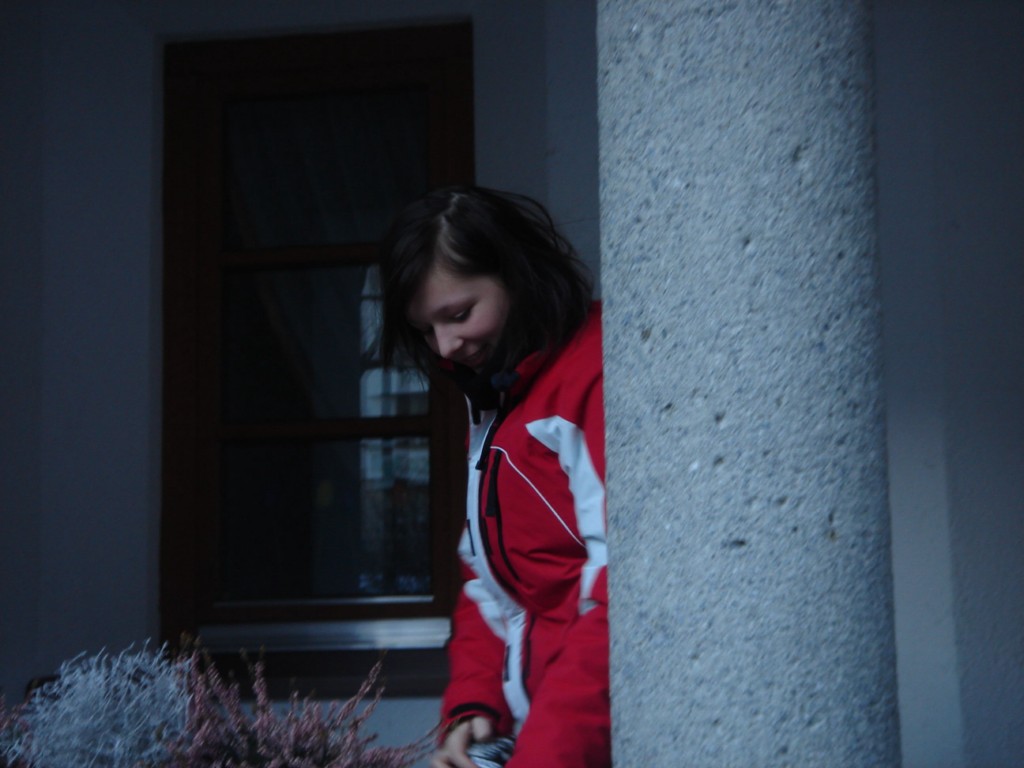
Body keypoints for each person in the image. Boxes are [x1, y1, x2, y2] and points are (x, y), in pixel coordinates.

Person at [378, 186, 609, 768]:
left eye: (458, 315)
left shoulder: (596, 371)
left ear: (518, 275)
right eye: (426, 330)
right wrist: (474, 703)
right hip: (544, 734)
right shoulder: (496, 399)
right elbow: (489, 583)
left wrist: (543, 755)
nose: (445, 346)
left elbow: (619, 598)